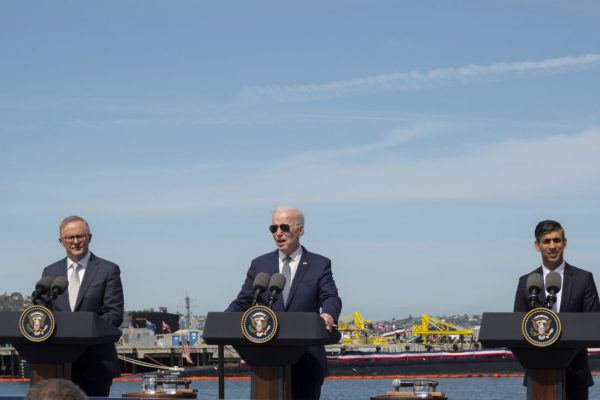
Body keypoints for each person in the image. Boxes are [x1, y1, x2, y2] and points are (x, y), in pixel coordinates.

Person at [227, 206, 342, 399]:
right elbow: (244, 301)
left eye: (284, 228)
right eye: (273, 228)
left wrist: (327, 314)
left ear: (300, 230)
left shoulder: (319, 264)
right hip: (267, 361)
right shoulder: (260, 265)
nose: (278, 233)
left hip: (307, 361)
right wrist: (225, 320)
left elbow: (331, 297)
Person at [514, 220, 600, 399]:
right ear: (537, 246)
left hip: (576, 377)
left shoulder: (584, 279)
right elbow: (516, 329)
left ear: (565, 243)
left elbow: (594, 326)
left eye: (557, 240)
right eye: (546, 241)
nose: (552, 246)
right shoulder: (527, 283)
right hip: (537, 379)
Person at [42, 216, 124, 397]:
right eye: (70, 237)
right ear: (61, 241)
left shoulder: (108, 270)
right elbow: (45, 312)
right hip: (57, 364)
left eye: (80, 236)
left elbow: (115, 315)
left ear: (90, 237)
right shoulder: (50, 272)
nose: (75, 241)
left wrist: (81, 328)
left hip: (95, 364)